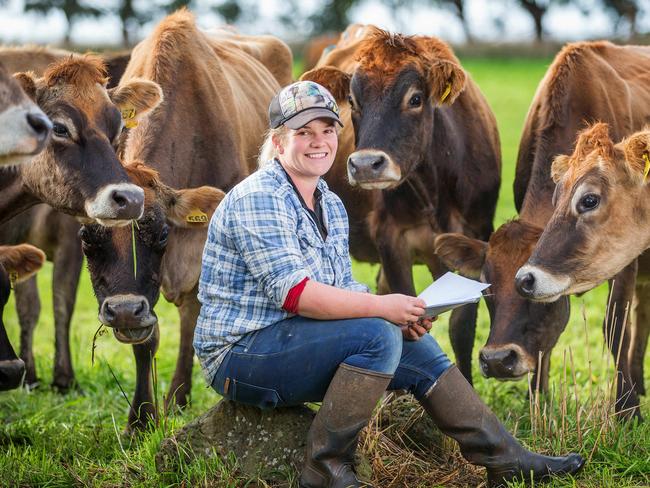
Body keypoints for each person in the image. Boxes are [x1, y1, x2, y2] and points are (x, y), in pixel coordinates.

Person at [194, 80, 585, 488]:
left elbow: (340, 286)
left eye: (327, 130)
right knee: (378, 336)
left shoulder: (327, 200)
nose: (319, 142)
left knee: (410, 340)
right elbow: (296, 295)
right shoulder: (259, 197)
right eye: (303, 132)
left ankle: (504, 457)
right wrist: (383, 309)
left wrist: (406, 313)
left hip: (291, 338)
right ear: (277, 141)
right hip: (241, 353)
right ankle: (323, 468)